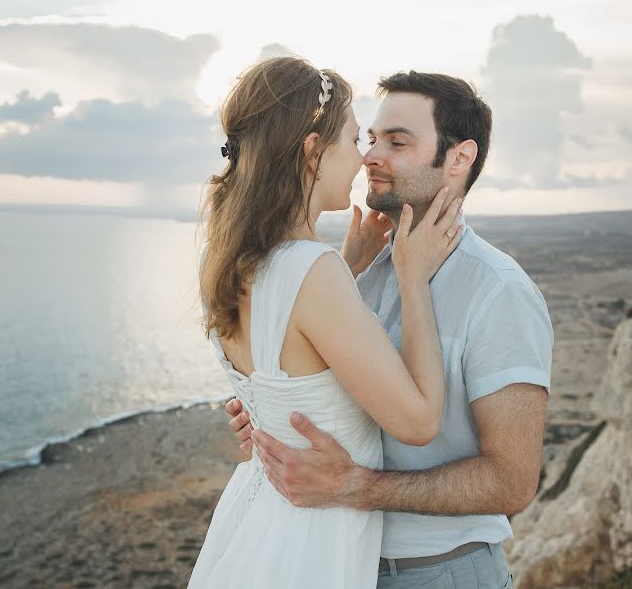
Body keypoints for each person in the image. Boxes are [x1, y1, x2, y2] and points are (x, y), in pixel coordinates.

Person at [227, 71, 555, 588]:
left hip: (435, 573)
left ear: (459, 158)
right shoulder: (357, 271)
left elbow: (511, 482)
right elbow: (337, 400)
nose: (370, 156)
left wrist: (357, 487)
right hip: (334, 563)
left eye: (397, 142)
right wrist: (271, 411)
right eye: (371, 138)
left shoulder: (498, 291)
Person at [189, 57, 466, 588]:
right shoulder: (312, 273)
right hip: (312, 544)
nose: (364, 157)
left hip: (257, 521)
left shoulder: (228, 258)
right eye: (353, 138)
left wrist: (348, 265)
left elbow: (288, 347)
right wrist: (413, 278)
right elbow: (418, 421)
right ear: (313, 151)